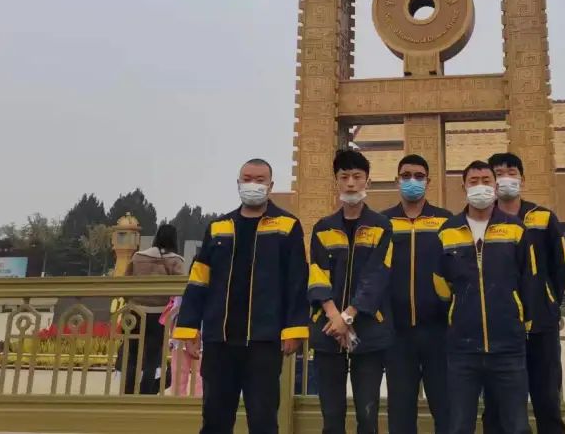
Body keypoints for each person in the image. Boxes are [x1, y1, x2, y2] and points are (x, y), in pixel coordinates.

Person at [174, 158, 310, 434]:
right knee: (215, 419)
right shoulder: (219, 227)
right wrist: (189, 328)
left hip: (264, 340)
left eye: (260, 180)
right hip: (219, 340)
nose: (253, 184)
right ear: (238, 183)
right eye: (247, 179)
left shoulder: (287, 226)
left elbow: (297, 281)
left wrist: (294, 329)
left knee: (263, 419)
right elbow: (198, 280)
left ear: (270, 185)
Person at [434, 159, 533, 434]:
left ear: (496, 186)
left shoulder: (515, 229)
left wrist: (522, 319)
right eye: (474, 181)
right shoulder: (448, 231)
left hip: (508, 345)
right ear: (464, 187)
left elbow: (529, 280)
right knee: (459, 425)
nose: (481, 186)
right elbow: (440, 284)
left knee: (516, 424)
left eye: (486, 181)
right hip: (462, 349)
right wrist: (456, 314)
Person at [482, 152, 565, 434]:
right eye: (498, 174)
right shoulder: (484, 220)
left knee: (547, 397)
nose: (505, 179)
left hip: (541, 324)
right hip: (498, 325)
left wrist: (550, 302)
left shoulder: (542, 217)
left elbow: (560, 264)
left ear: (523, 179)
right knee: (498, 402)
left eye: (511, 173)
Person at [308, 149, 393, 434]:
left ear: (368, 180)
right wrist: (335, 316)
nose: (351, 183)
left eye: (357, 176)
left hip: (368, 330)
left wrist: (349, 316)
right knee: (331, 417)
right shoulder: (323, 228)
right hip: (328, 331)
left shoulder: (381, 226)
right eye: (344, 177)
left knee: (367, 417)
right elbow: (317, 274)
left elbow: (378, 275)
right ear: (336, 181)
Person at [381, 154, 453, 434]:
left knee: (447, 410)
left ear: (428, 181)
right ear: (397, 180)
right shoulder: (383, 222)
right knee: (400, 414)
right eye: (406, 176)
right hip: (397, 334)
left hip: (439, 333)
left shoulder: (446, 221)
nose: (413, 181)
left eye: (419, 176)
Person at [123, 223, 186, 394]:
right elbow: (180, 289)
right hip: (159, 314)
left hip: (135, 312)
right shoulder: (176, 261)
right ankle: (146, 393)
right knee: (152, 357)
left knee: (133, 355)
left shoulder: (138, 257)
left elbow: (125, 282)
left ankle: (128, 393)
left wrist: (129, 303)